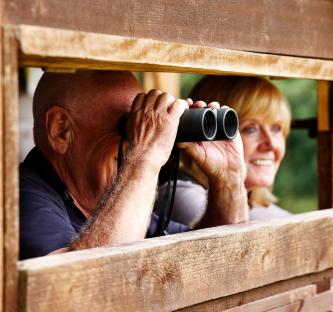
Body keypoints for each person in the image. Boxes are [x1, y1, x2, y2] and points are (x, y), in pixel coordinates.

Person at [20, 70, 248, 260]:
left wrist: (228, 179)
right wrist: (145, 156)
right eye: (129, 123)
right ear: (61, 129)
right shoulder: (18, 199)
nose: (139, 138)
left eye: (145, 124)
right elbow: (87, 288)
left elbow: (211, 260)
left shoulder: (113, 200)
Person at [155, 75, 292, 228]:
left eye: (276, 129)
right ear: (208, 130)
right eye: (250, 129)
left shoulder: (255, 201)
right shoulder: (180, 195)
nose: (271, 144)